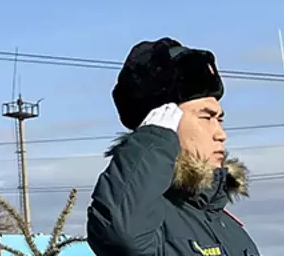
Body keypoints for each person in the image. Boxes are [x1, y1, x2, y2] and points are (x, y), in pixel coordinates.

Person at [88, 38, 260, 256]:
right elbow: (122, 238)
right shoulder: (146, 224)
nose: (221, 134)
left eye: (220, 120)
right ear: (164, 122)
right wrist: (151, 142)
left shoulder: (229, 226)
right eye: (206, 117)